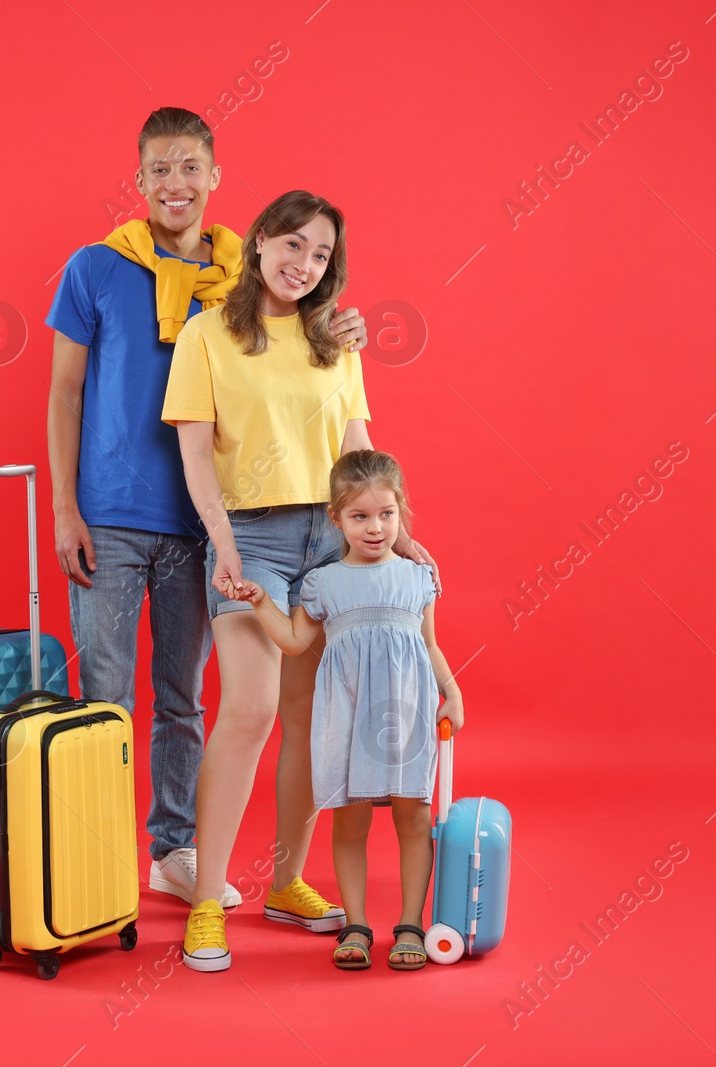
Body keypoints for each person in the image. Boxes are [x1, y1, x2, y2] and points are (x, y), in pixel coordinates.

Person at [46, 108, 368, 906]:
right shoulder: (94, 267)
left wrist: (339, 320)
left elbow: (300, 335)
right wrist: (63, 506)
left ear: (216, 179)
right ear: (140, 181)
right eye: (160, 169)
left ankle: (174, 849)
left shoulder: (241, 278)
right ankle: (94, 861)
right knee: (105, 696)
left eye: (191, 167)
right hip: (114, 512)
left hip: (205, 522)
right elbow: (64, 389)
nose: (176, 183)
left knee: (185, 697)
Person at [162, 190, 440, 972]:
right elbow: (192, 454)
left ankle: (287, 880)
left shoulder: (336, 341)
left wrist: (397, 532)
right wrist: (223, 545)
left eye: (320, 255)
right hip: (248, 534)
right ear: (257, 244)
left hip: (329, 533)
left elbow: (356, 449)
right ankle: (210, 899)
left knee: (314, 713)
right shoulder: (207, 333)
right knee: (246, 709)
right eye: (292, 245)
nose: (303, 264)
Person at [235, 449, 464, 970]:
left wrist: (452, 690)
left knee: (415, 816)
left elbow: (428, 644)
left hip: (404, 713)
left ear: (401, 513)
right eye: (360, 516)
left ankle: (410, 923)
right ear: (336, 518)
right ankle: (357, 926)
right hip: (346, 715)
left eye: (386, 514)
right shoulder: (323, 583)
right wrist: (259, 602)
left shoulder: (417, 577)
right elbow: (294, 642)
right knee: (350, 822)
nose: (375, 527)